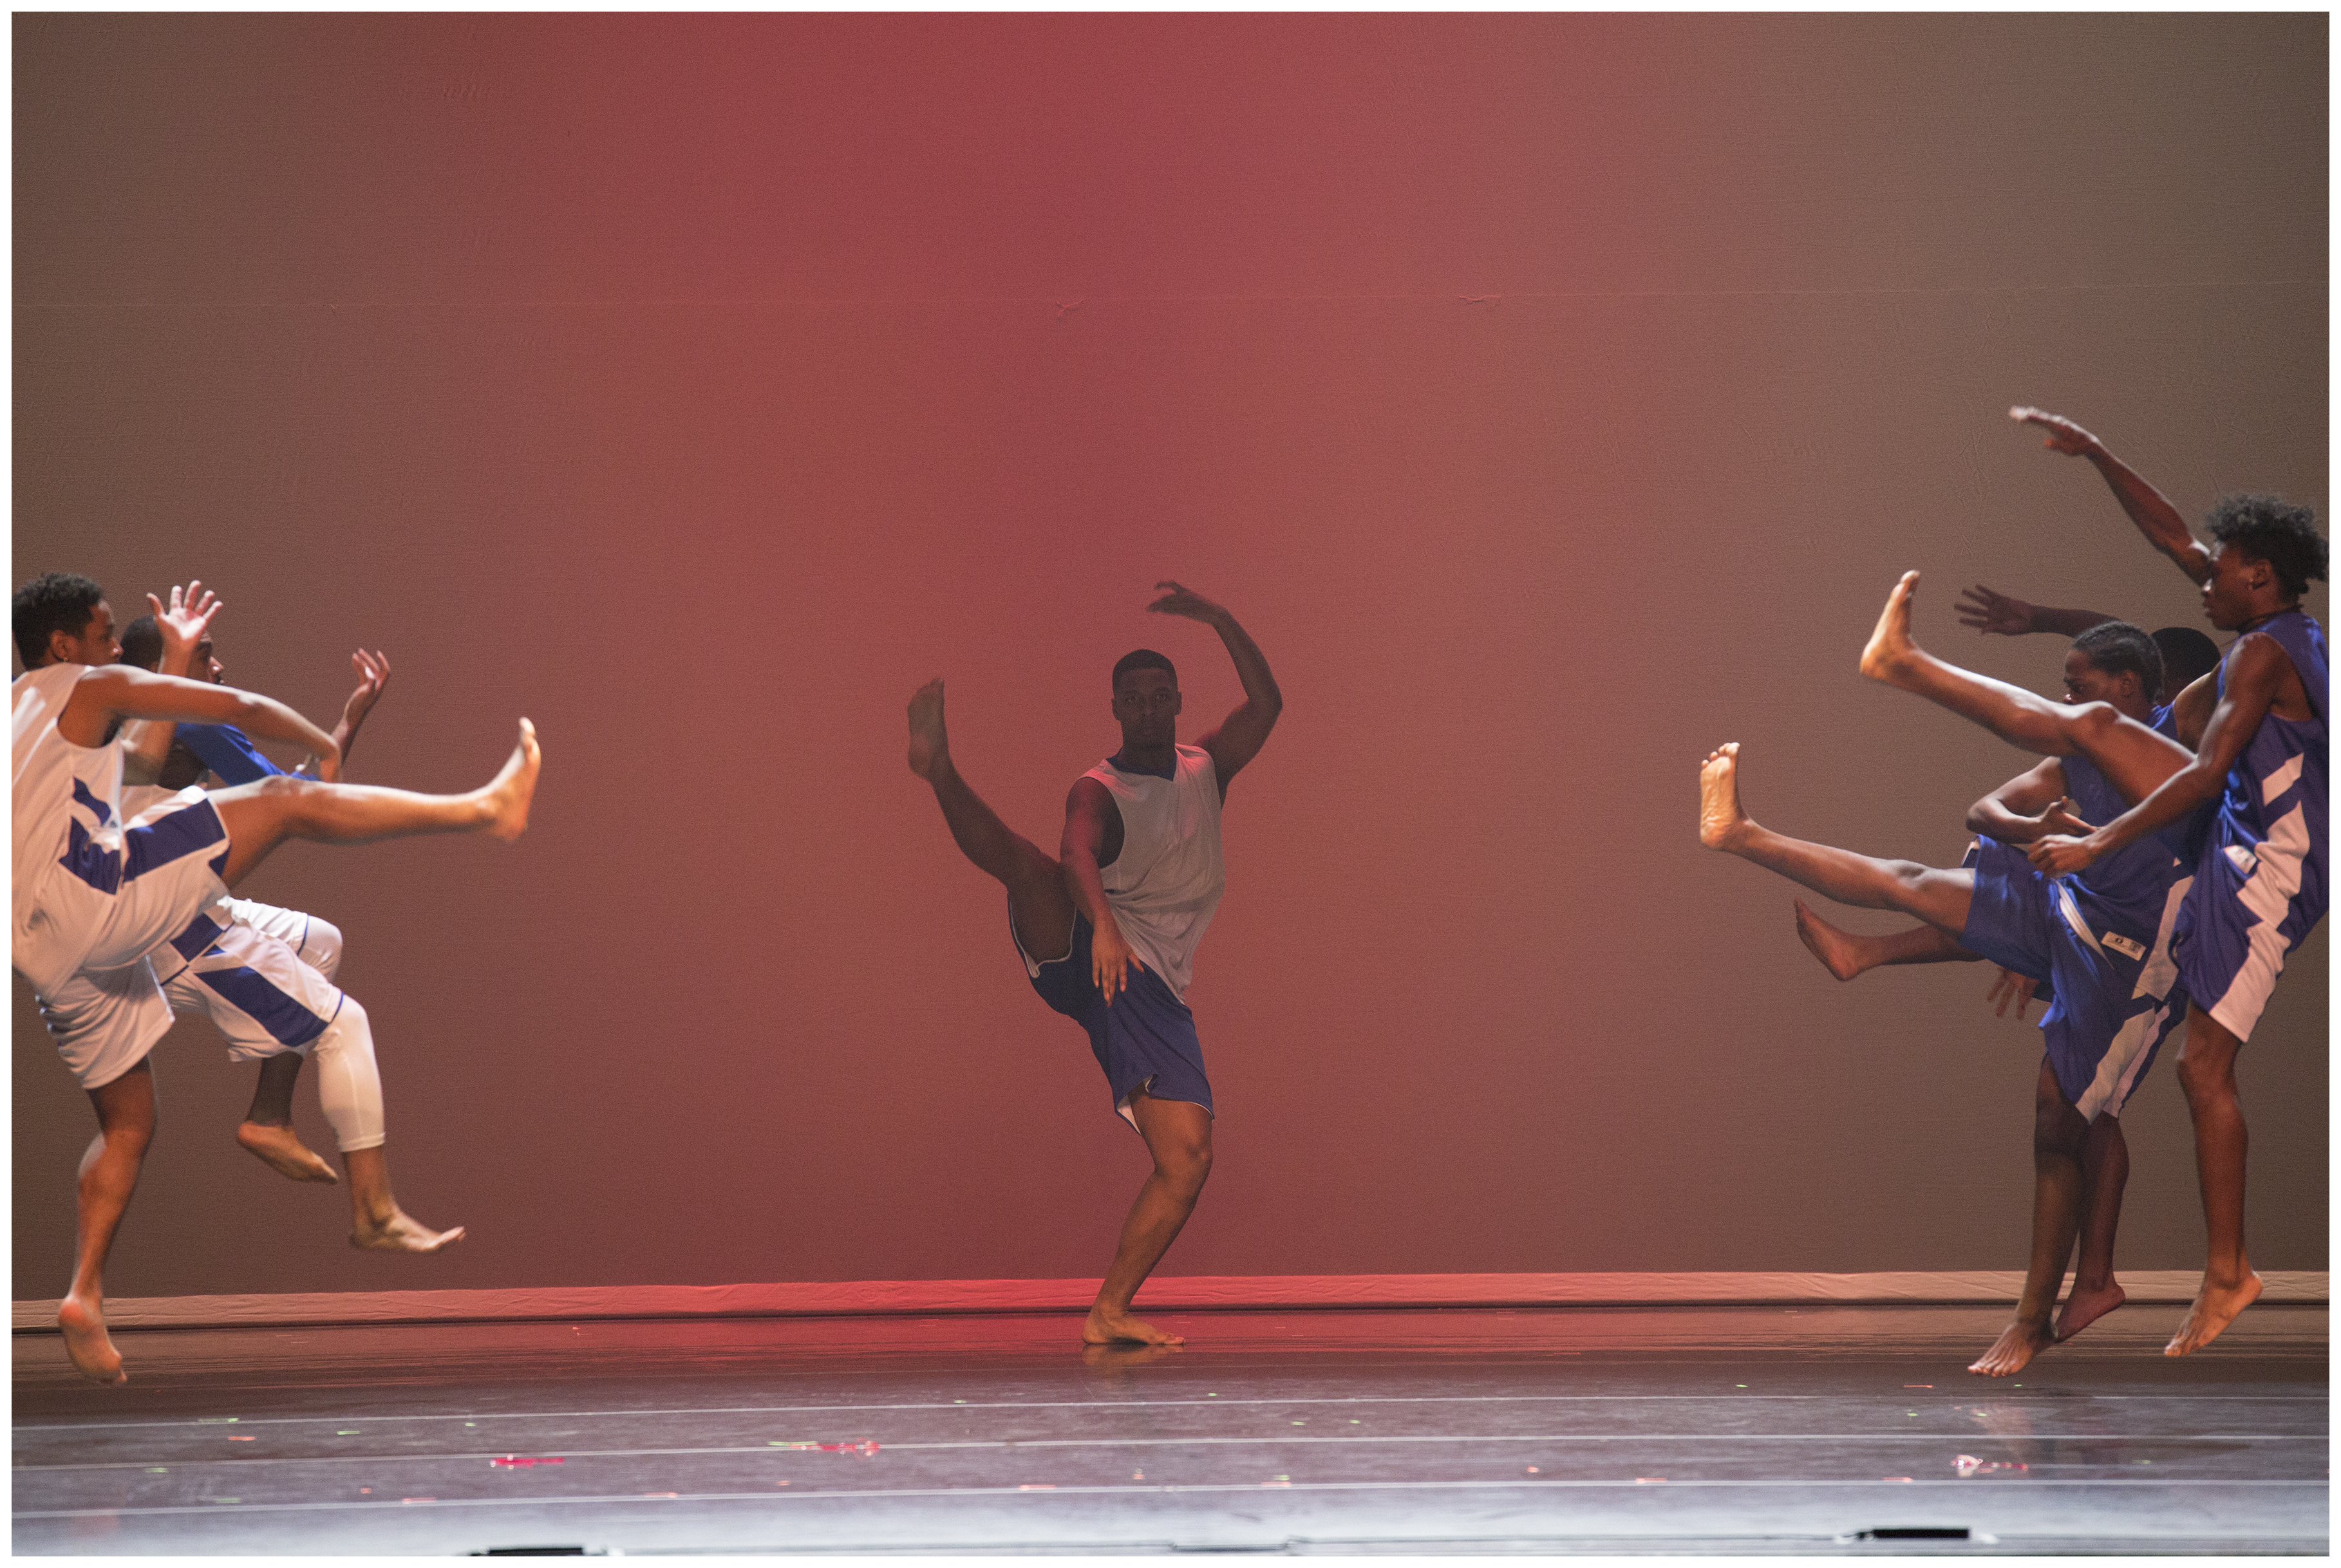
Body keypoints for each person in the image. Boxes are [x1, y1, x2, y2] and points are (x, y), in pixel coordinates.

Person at [12, 572, 541, 1383]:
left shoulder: (24, 722)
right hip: (116, 915)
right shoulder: (91, 685)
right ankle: (481, 810)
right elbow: (238, 718)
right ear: (65, 644)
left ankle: (84, 1293)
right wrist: (322, 739)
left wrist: (187, 656)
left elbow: (142, 761)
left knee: (129, 1122)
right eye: (106, 634)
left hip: (48, 953)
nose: (115, 650)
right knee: (292, 818)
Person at [1859, 474, 2325, 1355]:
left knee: (2186, 1076)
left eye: (2217, 574)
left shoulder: (2262, 657)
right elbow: (2177, 542)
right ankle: (1904, 667)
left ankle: (2220, 1271)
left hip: (2255, 867)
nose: (2201, 580)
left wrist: (2096, 848)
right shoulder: (2269, 631)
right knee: (2089, 734)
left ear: (2258, 575)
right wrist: (2096, 454)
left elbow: (2199, 772)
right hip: (2215, 849)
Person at [1700, 622, 2193, 1376]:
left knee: (2062, 1120)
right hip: (2071, 907)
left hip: (2133, 959)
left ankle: (2049, 1309)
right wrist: (2035, 826)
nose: (2065, 698)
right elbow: (1985, 809)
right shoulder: (2078, 745)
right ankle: (1744, 834)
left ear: (2131, 687)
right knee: (1916, 881)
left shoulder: (2171, 749)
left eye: (2077, 683)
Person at [907, 582, 1280, 1347]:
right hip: (1095, 949)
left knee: (1187, 1161)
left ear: (1176, 700)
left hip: (1152, 989)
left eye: (1158, 695)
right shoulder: (1099, 787)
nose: (1146, 708)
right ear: (1116, 710)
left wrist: (1220, 620)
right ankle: (940, 770)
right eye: (1132, 699)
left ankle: (1109, 1309)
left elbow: (1267, 704)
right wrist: (1103, 928)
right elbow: (1077, 850)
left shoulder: (1206, 770)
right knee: (1030, 867)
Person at [108, 605, 393, 1188]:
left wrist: (346, 723)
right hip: (166, 932)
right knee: (344, 1024)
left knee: (319, 943)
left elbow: (292, 793)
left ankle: (269, 1118)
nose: (219, 665)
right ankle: (375, 1205)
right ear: (166, 662)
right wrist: (341, 730)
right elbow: (305, 801)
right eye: (203, 652)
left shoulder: (107, 722)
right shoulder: (191, 720)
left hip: (155, 914)